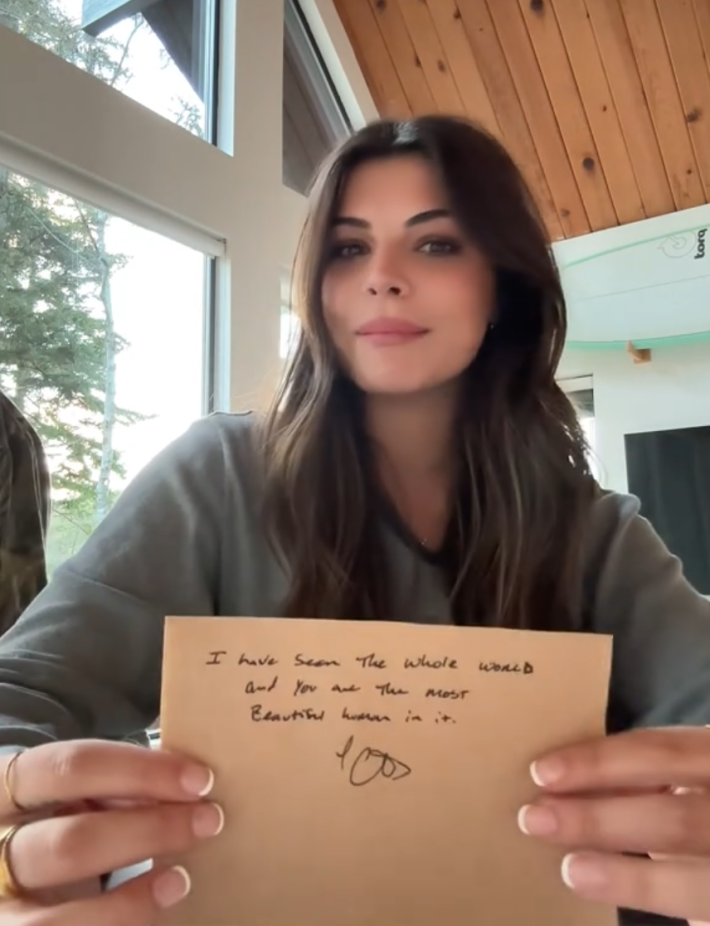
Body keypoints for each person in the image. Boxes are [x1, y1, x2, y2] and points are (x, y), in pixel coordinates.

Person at [0, 116, 708, 926]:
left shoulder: (598, 536)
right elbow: (18, 693)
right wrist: (18, 841)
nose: (383, 277)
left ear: (502, 284)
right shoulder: (219, 475)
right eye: (347, 247)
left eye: (436, 244)